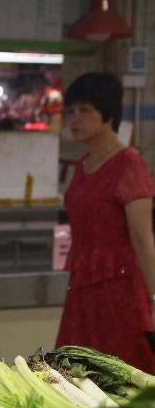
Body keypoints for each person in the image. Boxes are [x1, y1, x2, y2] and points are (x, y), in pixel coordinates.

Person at [56, 72, 155, 374]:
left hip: (121, 288)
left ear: (109, 115)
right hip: (83, 284)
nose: (75, 118)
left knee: (123, 375)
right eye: (71, 111)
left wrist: (154, 299)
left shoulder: (128, 163)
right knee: (75, 374)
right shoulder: (82, 165)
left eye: (85, 110)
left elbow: (142, 238)